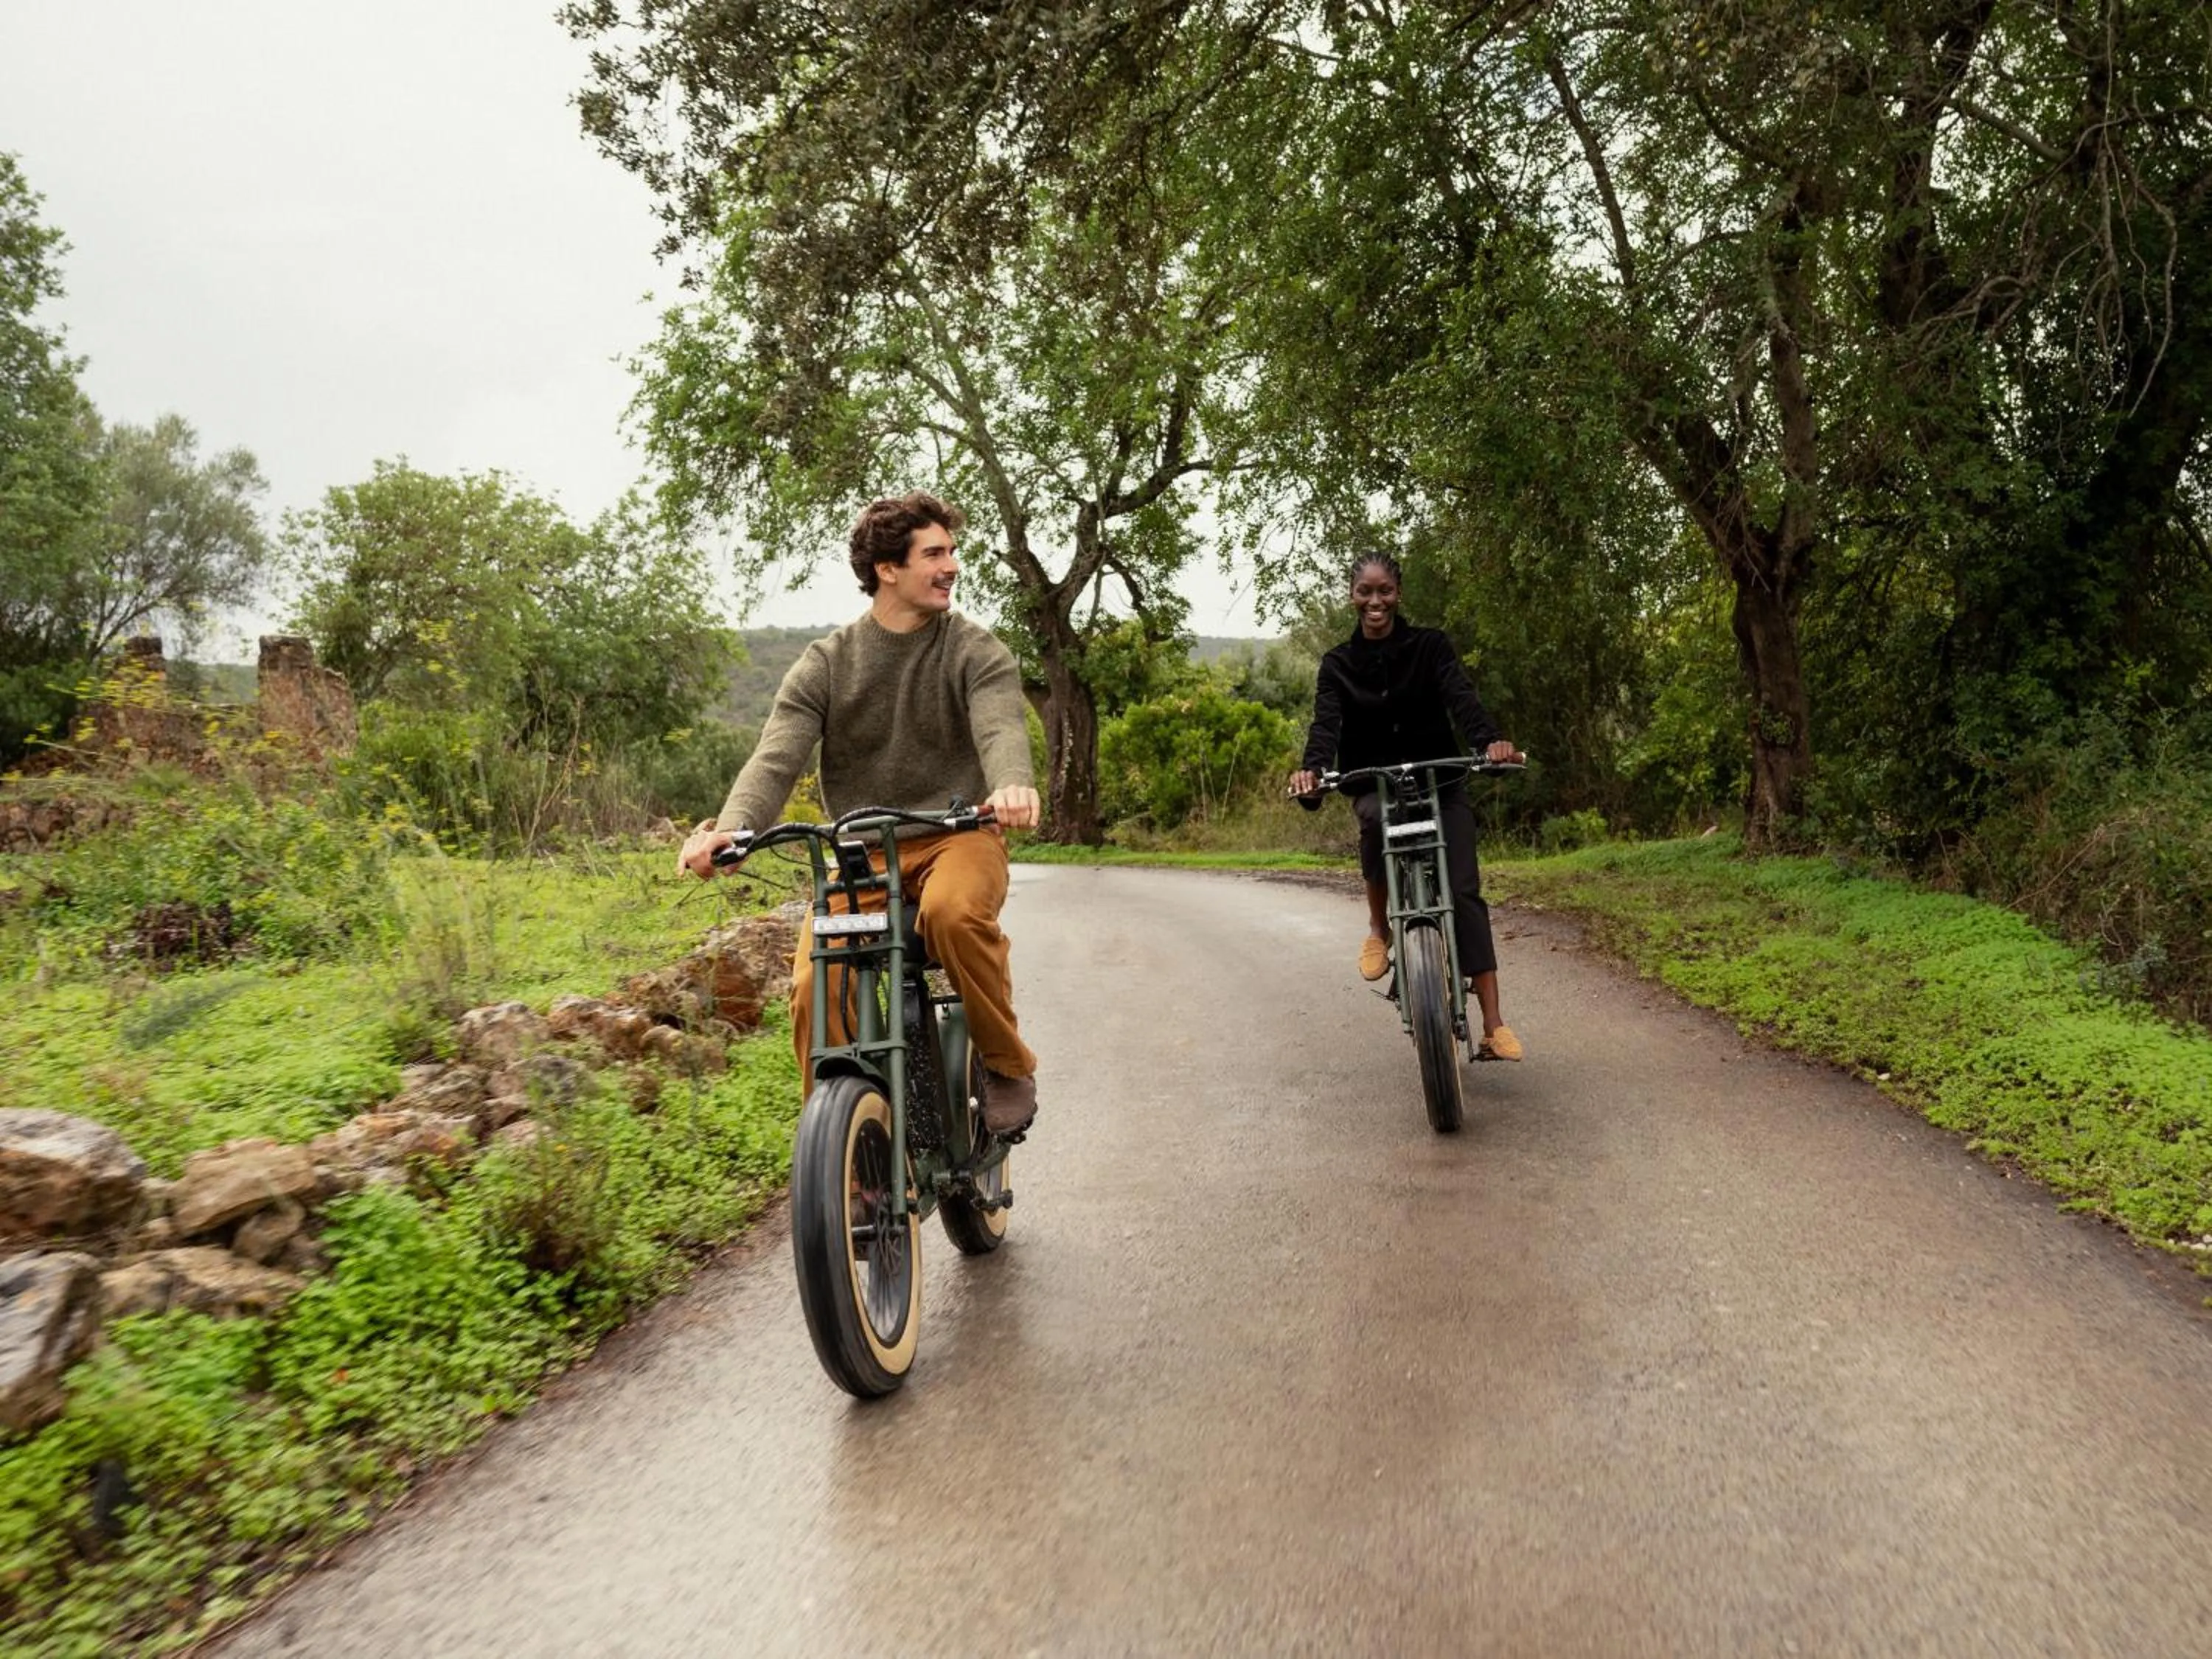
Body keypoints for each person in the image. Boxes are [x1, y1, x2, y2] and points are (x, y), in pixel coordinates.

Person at [678, 492, 1046, 1135]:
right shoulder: (827, 663)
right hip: (862, 855)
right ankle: (847, 1136)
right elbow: (776, 757)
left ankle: (1006, 1061)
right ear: (887, 568)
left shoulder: (973, 650)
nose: (952, 566)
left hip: (956, 836)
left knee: (952, 915)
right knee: (815, 988)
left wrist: (1012, 785)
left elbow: (999, 728)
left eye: (953, 552)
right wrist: (731, 829)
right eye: (935, 553)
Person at [1287, 552, 1526, 1061]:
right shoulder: (1337, 664)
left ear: (1399, 592)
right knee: (1373, 821)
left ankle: (1493, 1023)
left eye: (1385, 591)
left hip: (1441, 779)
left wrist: (1490, 742)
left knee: (1464, 890)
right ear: (1352, 596)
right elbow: (1325, 725)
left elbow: (1461, 697)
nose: (1375, 602)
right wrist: (1312, 770)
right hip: (1375, 782)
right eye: (1365, 592)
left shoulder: (1430, 646)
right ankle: (1380, 930)